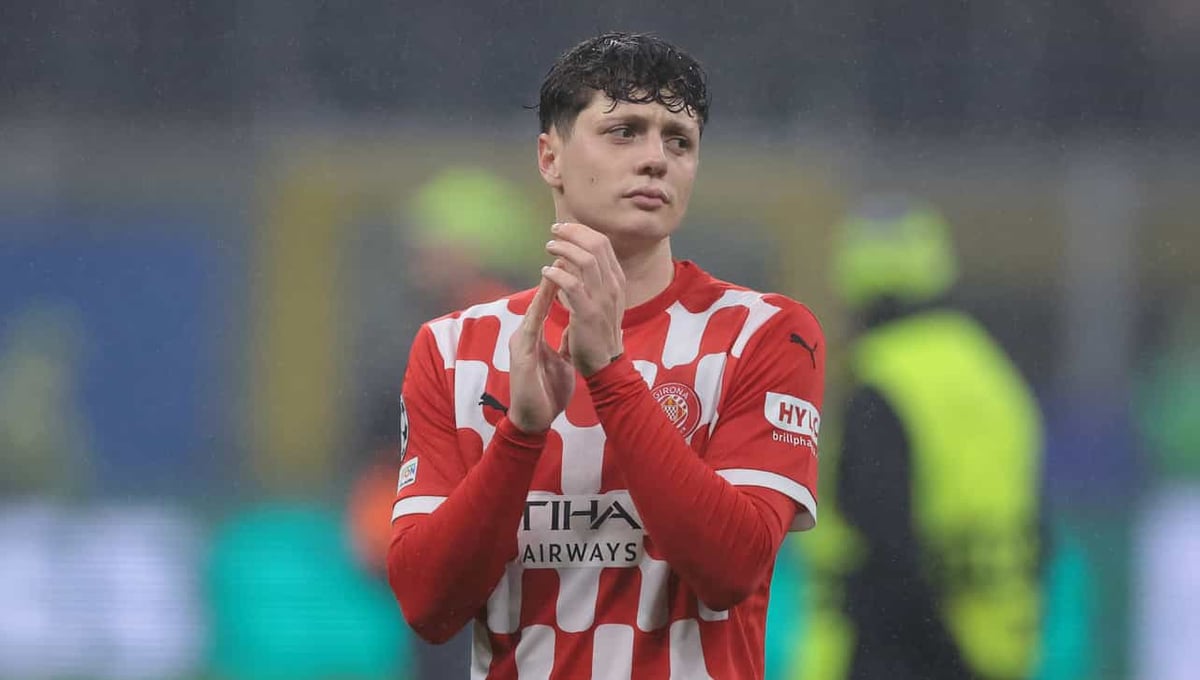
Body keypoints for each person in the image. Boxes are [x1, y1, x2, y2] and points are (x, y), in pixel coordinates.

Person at [386, 32, 825, 678]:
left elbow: (731, 570)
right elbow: (429, 606)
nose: (656, 159)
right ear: (550, 158)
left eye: (679, 141)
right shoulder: (454, 348)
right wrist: (520, 435)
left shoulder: (764, 333)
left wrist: (611, 376)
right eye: (625, 131)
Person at [801, 196, 1044, 680]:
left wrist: (944, 659)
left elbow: (885, 548)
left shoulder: (881, 384)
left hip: (889, 657)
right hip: (997, 648)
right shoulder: (996, 375)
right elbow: (1037, 527)